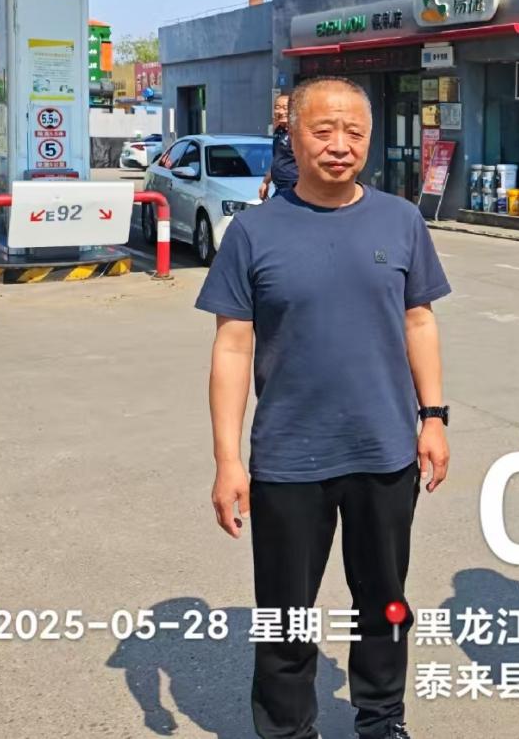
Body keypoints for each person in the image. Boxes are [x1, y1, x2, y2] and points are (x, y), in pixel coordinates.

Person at [199, 75, 452, 739]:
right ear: (292, 136)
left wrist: (434, 418)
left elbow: (419, 322)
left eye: (354, 132)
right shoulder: (253, 232)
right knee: (285, 613)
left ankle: (382, 720)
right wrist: (228, 461)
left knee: (385, 603)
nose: (340, 145)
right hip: (289, 458)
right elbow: (232, 347)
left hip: (384, 451)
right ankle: (287, 729)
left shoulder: (401, 220)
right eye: (323, 130)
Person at [259, 92, 297, 200]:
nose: (280, 112)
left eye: (285, 108)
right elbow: (277, 160)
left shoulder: (298, 132)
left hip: (294, 188)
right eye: (277, 107)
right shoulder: (279, 131)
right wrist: (265, 182)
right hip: (279, 188)